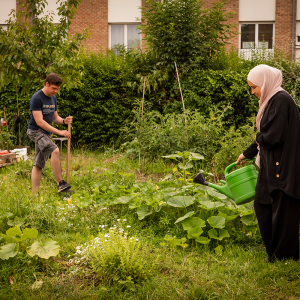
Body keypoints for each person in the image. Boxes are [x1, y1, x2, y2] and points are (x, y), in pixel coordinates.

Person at [236, 64, 300, 262]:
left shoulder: (280, 100)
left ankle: (284, 256)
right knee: (262, 203)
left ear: (265, 82)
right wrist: (247, 153)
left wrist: (257, 138)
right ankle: (276, 252)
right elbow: (266, 135)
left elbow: (273, 136)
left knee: (283, 211)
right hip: (271, 164)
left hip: (283, 166)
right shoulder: (273, 101)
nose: (253, 91)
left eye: (254, 87)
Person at [27, 73, 73, 195]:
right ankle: (61, 183)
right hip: (36, 131)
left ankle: (34, 194)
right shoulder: (37, 98)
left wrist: (64, 121)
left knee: (39, 163)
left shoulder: (53, 98)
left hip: (45, 133)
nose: (55, 91)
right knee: (54, 150)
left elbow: (55, 118)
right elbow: (40, 121)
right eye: (53, 88)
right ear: (47, 84)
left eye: (57, 89)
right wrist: (59, 132)